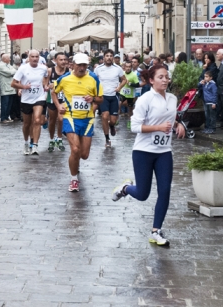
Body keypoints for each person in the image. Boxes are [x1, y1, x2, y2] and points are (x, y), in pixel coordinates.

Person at [111, 64, 185, 246]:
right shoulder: (145, 99)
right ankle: (126, 189)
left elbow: (171, 117)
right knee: (143, 194)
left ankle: (156, 231)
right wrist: (158, 128)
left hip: (164, 152)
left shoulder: (173, 98)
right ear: (151, 80)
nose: (165, 80)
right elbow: (134, 126)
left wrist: (178, 125)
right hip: (143, 152)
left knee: (165, 190)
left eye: (167, 77)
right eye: (161, 77)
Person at [52, 53, 103, 192]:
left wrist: (92, 99)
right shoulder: (64, 79)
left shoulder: (93, 78)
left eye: (84, 65)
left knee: (84, 155)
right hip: (70, 117)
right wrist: (58, 106)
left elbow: (100, 98)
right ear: (72, 65)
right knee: (75, 149)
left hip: (87, 118)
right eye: (79, 65)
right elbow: (53, 92)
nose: (81, 68)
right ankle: (74, 179)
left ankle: (76, 162)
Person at [11, 49, 49, 155]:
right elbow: (13, 84)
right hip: (26, 99)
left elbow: (46, 77)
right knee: (27, 124)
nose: (35, 59)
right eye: (32, 57)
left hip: (39, 98)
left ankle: (35, 145)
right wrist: (23, 87)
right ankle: (26, 142)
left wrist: (45, 85)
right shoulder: (23, 69)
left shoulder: (43, 68)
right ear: (29, 58)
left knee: (37, 120)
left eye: (37, 57)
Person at [94, 49, 127, 149]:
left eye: (110, 56)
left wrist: (119, 88)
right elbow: (93, 81)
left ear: (113, 58)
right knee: (104, 116)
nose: (109, 57)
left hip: (114, 96)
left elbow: (124, 80)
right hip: (103, 96)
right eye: (107, 55)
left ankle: (112, 126)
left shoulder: (118, 68)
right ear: (103, 57)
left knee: (112, 120)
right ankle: (107, 139)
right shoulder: (98, 69)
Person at [45, 52, 69, 152]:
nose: (63, 62)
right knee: (52, 120)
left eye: (65, 60)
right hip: (52, 98)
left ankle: (59, 139)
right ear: (55, 60)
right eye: (61, 60)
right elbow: (45, 85)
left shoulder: (69, 71)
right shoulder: (50, 71)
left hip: (63, 98)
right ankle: (51, 139)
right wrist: (48, 86)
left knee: (61, 119)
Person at [0, 53, 17, 123]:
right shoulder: (1, 66)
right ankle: (3, 118)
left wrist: (13, 71)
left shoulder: (7, 65)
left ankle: (7, 116)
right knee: (5, 104)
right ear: (5, 59)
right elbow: (10, 73)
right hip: (5, 88)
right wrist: (13, 72)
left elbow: (14, 71)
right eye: (9, 58)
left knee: (9, 104)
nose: (10, 59)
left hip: (10, 87)